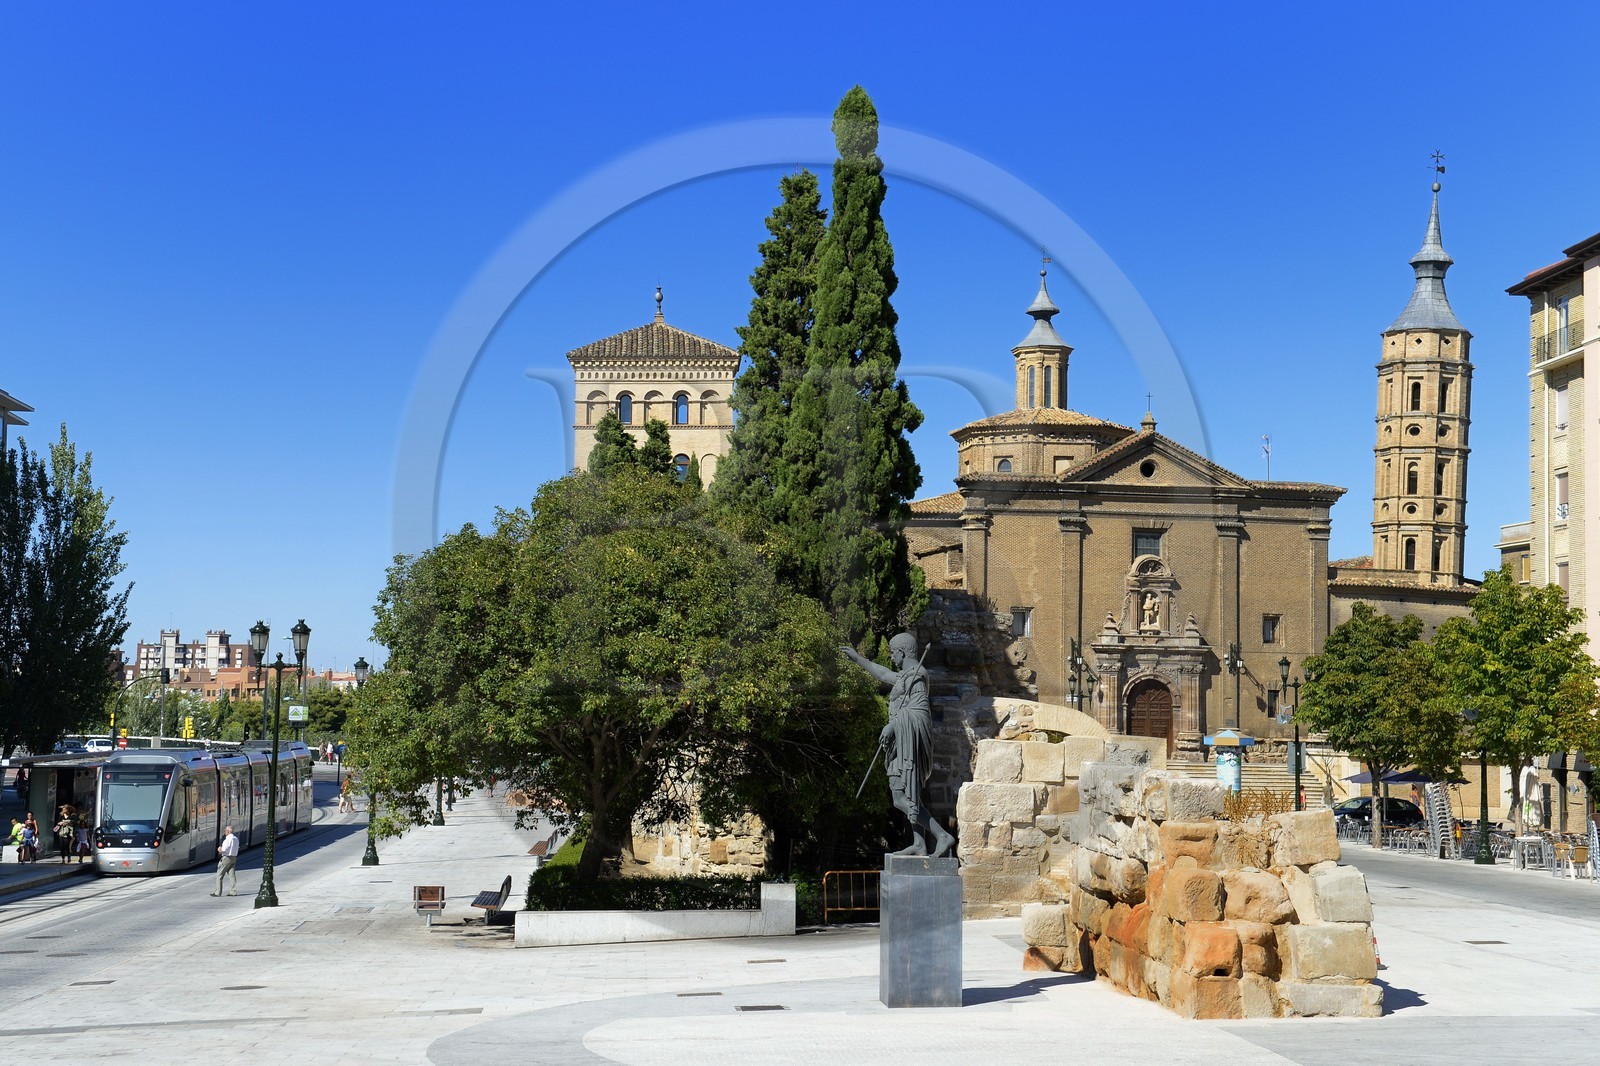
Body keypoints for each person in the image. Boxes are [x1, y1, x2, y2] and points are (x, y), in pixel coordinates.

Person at [840, 633, 956, 858]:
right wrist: (857, 659)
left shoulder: (917, 675)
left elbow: (919, 711)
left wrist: (893, 726)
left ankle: (941, 835)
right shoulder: (906, 675)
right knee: (910, 795)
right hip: (901, 741)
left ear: (902, 652)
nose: (892, 657)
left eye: (893, 653)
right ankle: (919, 843)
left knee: (900, 797)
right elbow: (883, 674)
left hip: (908, 741)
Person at [212, 825, 239, 896]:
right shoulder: (236, 838)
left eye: (225, 831)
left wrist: (219, 849)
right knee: (232, 875)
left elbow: (224, 849)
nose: (224, 832)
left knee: (219, 875)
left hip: (226, 858)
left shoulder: (227, 839)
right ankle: (233, 891)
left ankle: (218, 892)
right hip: (233, 857)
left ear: (228, 831)